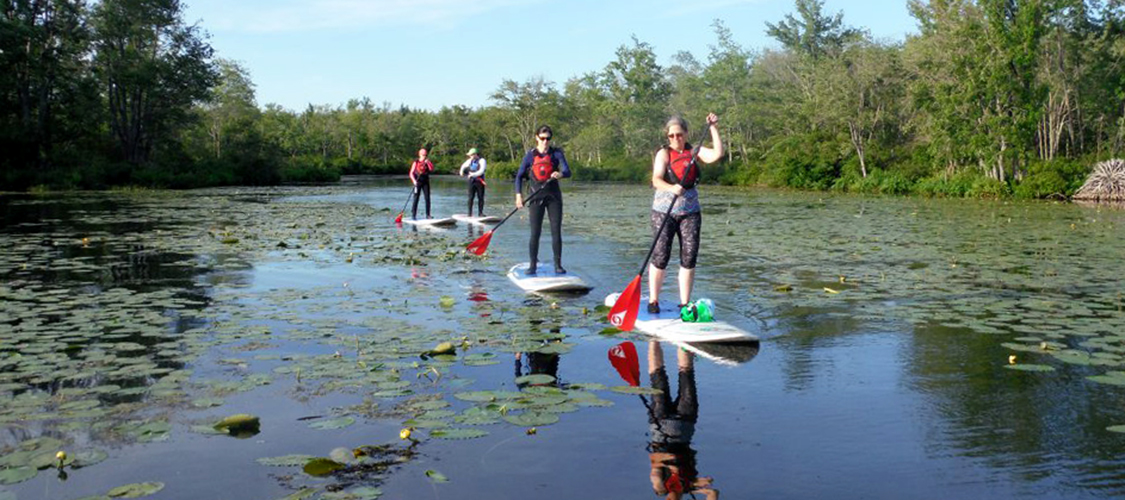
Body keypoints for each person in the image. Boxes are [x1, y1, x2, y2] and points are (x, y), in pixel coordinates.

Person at [648, 114, 722, 315]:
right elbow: (656, 180)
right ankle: (654, 300)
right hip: (664, 212)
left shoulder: (694, 151)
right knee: (661, 255)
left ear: (686, 134)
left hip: (690, 212)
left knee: (689, 256)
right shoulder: (663, 154)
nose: (675, 139)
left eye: (679, 135)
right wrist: (672, 187)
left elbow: (716, 154)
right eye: (671, 136)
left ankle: (684, 303)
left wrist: (713, 128)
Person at [645, 341, 718, 500]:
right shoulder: (689, 486)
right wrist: (697, 488)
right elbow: (713, 492)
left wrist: (672, 465)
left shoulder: (660, 486)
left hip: (660, 424)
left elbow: (654, 459)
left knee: (658, 377)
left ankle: (653, 338)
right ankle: (683, 340)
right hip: (685, 425)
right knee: (687, 373)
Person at [515, 125, 571, 275]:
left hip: (554, 197)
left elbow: (567, 171)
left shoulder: (556, 154)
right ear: (537, 137)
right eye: (542, 138)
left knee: (556, 231)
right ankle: (532, 265)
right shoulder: (530, 156)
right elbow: (519, 176)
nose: (545, 141)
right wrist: (518, 196)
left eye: (548, 139)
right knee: (535, 232)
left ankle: (558, 265)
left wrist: (560, 174)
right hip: (535, 197)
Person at [459, 148, 487, 216]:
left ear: (475, 154)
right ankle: (469, 213)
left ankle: (480, 213)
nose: (470, 156)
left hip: (480, 181)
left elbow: (481, 171)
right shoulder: (470, 161)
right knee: (470, 197)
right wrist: (461, 172)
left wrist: (472, 174)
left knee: (480, 197)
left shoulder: (482, 160)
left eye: (471, 155)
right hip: (471, 181)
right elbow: (463, 166)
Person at [409, 148, 434, 219]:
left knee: (427, 198)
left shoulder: (428, 162)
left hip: (425, 181)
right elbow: (411, 173)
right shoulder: (416, 162)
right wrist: (414, 181)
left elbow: (431, 169)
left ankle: (428, 215)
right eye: (423, 154)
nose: (424, 156)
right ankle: (413, 214)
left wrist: (428, 162)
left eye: (425, 154)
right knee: (416, 198)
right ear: (420, 154)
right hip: (418, 181)